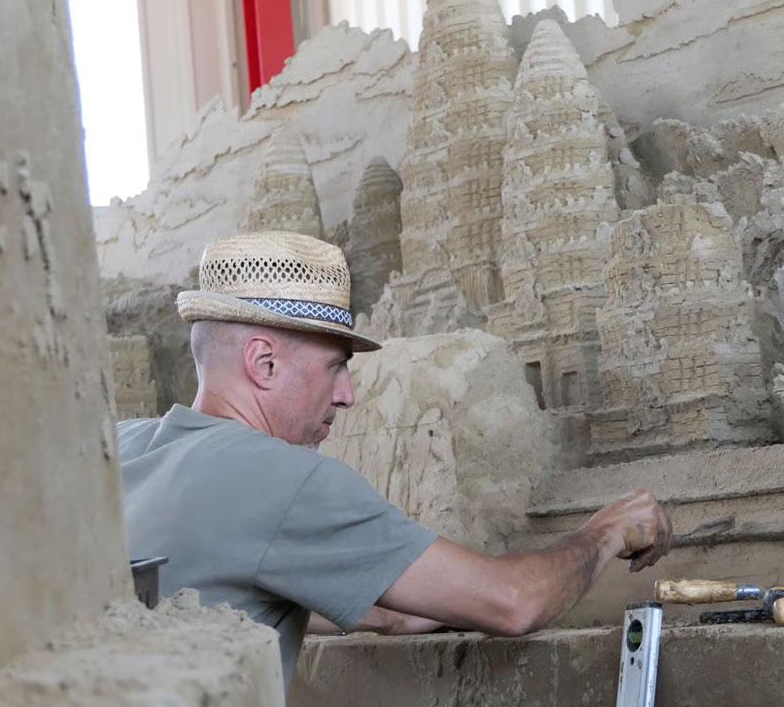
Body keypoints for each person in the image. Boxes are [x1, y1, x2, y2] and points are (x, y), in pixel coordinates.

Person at [119, 231, 672, 686]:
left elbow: (385, 607)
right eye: (336, 365)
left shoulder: (119, 451)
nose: (347, 395)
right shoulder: (276, 477)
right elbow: (513, 603)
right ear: (263, 364)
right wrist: (606, 533)